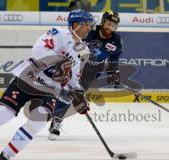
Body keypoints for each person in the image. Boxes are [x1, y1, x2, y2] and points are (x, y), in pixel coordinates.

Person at [0, 9, 94, 160]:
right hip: (29, 78)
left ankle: (5, 157)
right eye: (86, 24)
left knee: (38, 121)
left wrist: (78, 92)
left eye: (90, 24)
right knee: (3, 113)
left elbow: (73, 74)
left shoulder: (83, 50)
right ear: (75, 24)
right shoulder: (58, 33)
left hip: (50, 89)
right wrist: (57, 64)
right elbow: (38, 50)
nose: (89, 27)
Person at [48, 10, 123, 140]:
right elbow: (70, 42)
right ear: (103, 21)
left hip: (92, 71)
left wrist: (113, 72)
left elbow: (114, 57)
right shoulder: (89, 31)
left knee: (75, 97)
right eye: (108, 24)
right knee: (67, 94)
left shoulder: (116, 41)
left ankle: (56, 117)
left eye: (113, 26)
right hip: (76, 65)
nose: (110, 28)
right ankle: (56, 122)